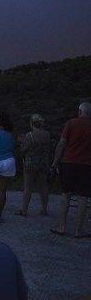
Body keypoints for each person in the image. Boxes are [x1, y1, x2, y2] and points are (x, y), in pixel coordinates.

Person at [51, 102, 91, 237]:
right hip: (86, 166)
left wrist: (55, 162)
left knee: (66, 195)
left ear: (79, 111)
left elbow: (62, 144)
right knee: (83, 198)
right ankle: (78, 231)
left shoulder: (71, 123)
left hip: (68, 163)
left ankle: (61, 227)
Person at [15, 114, 51, 216]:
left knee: (28, 187)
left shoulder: (29, 135)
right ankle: (44, 209)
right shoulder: (47, 134)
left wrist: (21, 143)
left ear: (32, 123)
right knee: (43, 186)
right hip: (43, 163)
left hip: (31, 163)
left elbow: (23, 150)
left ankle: (24, 210)